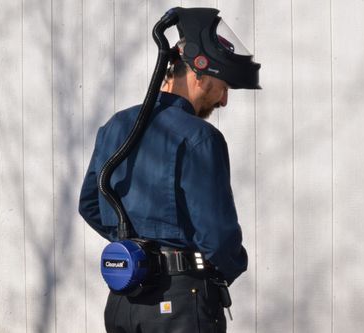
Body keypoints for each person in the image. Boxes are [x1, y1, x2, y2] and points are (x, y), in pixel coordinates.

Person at [79, 40, 248, 332]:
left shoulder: (115, 127)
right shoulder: (200, 137)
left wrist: (135, 249)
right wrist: (233, 265)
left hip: (123, 302)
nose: (223, 101)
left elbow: (90, 205)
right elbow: (218, 237)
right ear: (200, 74)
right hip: (181, 303)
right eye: (224, 87)